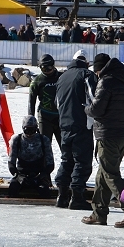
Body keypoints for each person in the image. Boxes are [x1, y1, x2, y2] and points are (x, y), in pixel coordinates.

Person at [82, 53, 124, 228]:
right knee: (103, 174)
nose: (96, 75)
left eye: (97, 72)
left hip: (108, 134)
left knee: (111, 175)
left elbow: (97, 109)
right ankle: (99, 213)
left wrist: (86, 109)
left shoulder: (106, 81)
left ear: (100, 69)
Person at [54, 50, 97, 210]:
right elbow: (95, 100)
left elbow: (57, 102)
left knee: (66, 159)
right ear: (86, 62)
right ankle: (77, 197)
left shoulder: (62, 76)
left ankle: (62, 196)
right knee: (82, 160)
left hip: (64, 124)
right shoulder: (87, 74)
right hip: (82, 124)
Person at [8, 116, 55, 198]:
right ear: (23, 128)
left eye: (32, 130)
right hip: (21, 174)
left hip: (39, 175)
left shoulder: (44, 140)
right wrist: (18, 177)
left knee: (44, 190)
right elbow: (11, 163)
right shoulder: (16, 140)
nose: (29, 133)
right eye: (27, 130)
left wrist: (40, 177)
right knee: (13, 188)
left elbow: (50, 164)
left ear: (36, 129)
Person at [28, 53, 62, 147]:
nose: (47, 71)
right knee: (44, 148)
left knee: (65, 148)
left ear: (54, 66)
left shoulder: (61, 77)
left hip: (60, 117)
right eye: (44, 69)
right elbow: (31, 101)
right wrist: (31, 120)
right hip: (45, 117)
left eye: (49, 68)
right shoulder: (37, 81)